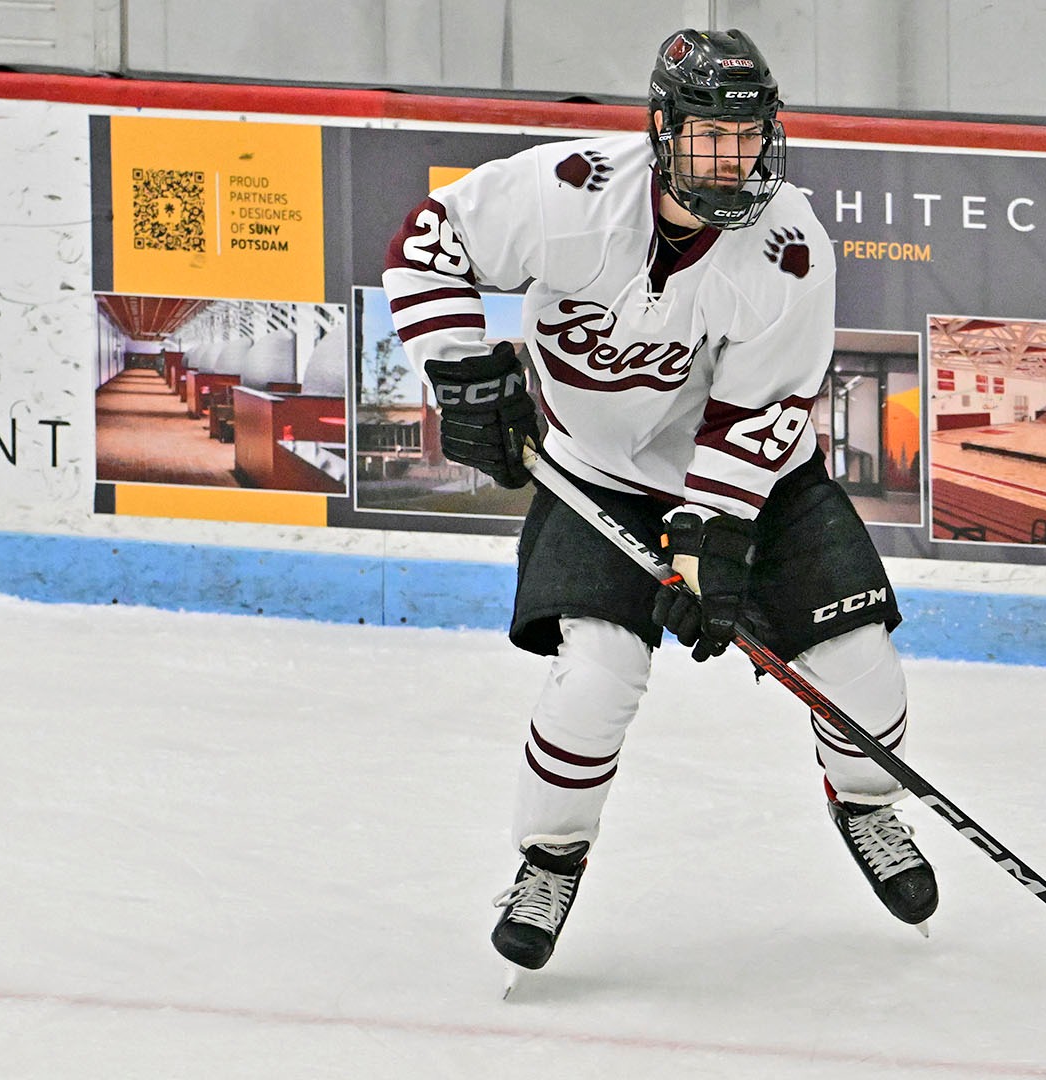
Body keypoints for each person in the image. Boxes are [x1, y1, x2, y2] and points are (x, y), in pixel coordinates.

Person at [382, 27, 937, 974]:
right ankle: (550, 859)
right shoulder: (569, 193)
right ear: (663, 131)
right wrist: (464, 372)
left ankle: (865, 801)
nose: (737, 155)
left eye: (751, 134)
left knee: (861, 664)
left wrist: (708, 541)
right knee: (595, 678)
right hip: (596, 473)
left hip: (761, 481)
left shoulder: (790, 248)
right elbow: (433, 240)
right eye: (712, 135)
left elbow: (760, 411)